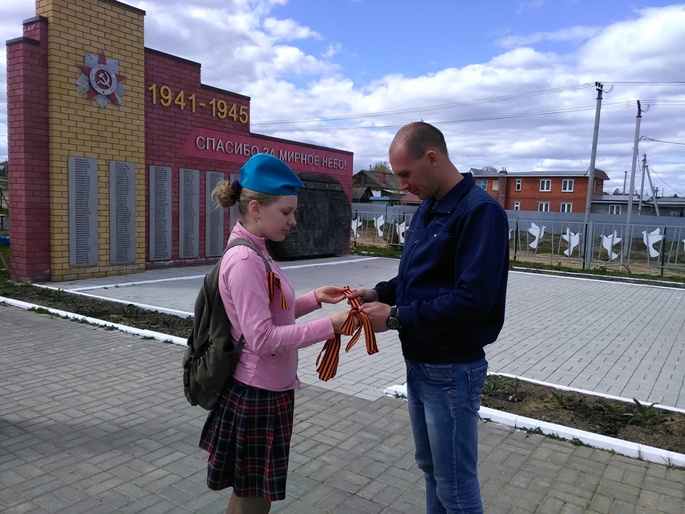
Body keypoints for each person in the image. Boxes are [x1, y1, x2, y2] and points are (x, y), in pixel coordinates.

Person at [353, 122, 509, 513]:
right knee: (432, 472)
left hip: (451, 370)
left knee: (455, 486)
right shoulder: (428, 208)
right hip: (420, 364)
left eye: (405, 174)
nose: (403, 185)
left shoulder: (480, 212)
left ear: (433, 158)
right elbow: (415, 279)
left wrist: (394, 317)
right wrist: (379, 294)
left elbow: (472, 301)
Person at [200, 153, 353, 514]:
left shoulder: (257, 250)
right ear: (255, 209)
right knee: (254, 500)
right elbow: (264, 339)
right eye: (286, 212)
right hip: (258, 393)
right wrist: (331, 326)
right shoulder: (245, 260)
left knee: (250, 494)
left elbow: (273, 312)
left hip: (267, 390)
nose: (293, 221)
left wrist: (315, 299)